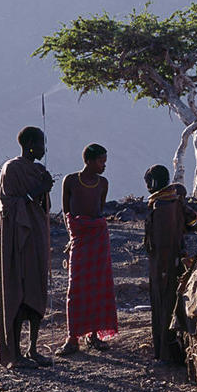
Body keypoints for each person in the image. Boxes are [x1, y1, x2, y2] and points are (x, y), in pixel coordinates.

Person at [0, 126, 54, 368]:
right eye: (41, 144)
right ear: (29, 143)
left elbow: (42, 206)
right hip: (17, 239)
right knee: (18, 291)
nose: (44, 149)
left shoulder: (38, 170)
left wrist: (44, 189)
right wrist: (36, 191)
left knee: (36, 289)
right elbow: (7, 204)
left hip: (37, 236)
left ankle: (33, 349)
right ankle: (16, 354)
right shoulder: (12, 168)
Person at [58, 143, 118, 355]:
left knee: (98, 286)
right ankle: (73, 337)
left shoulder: (103, 183)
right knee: (75, 289)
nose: (104, 165)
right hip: (79, 240)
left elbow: (98, 212)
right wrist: (73, 236)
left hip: (98, 240)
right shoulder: (71, 181)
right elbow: (67, 213)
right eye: (101, 161)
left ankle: (93, 335)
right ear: (90, 161)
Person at [143, 165, 197, 364]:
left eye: (149, 182)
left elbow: (164, 242)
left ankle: (166, 352)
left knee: (164, 305)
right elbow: (193, 221)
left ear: (154, 183)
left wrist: (165, 269)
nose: (148, 187)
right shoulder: (173, 200)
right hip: (172, 260)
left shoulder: (162, 207)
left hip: (163, 265)